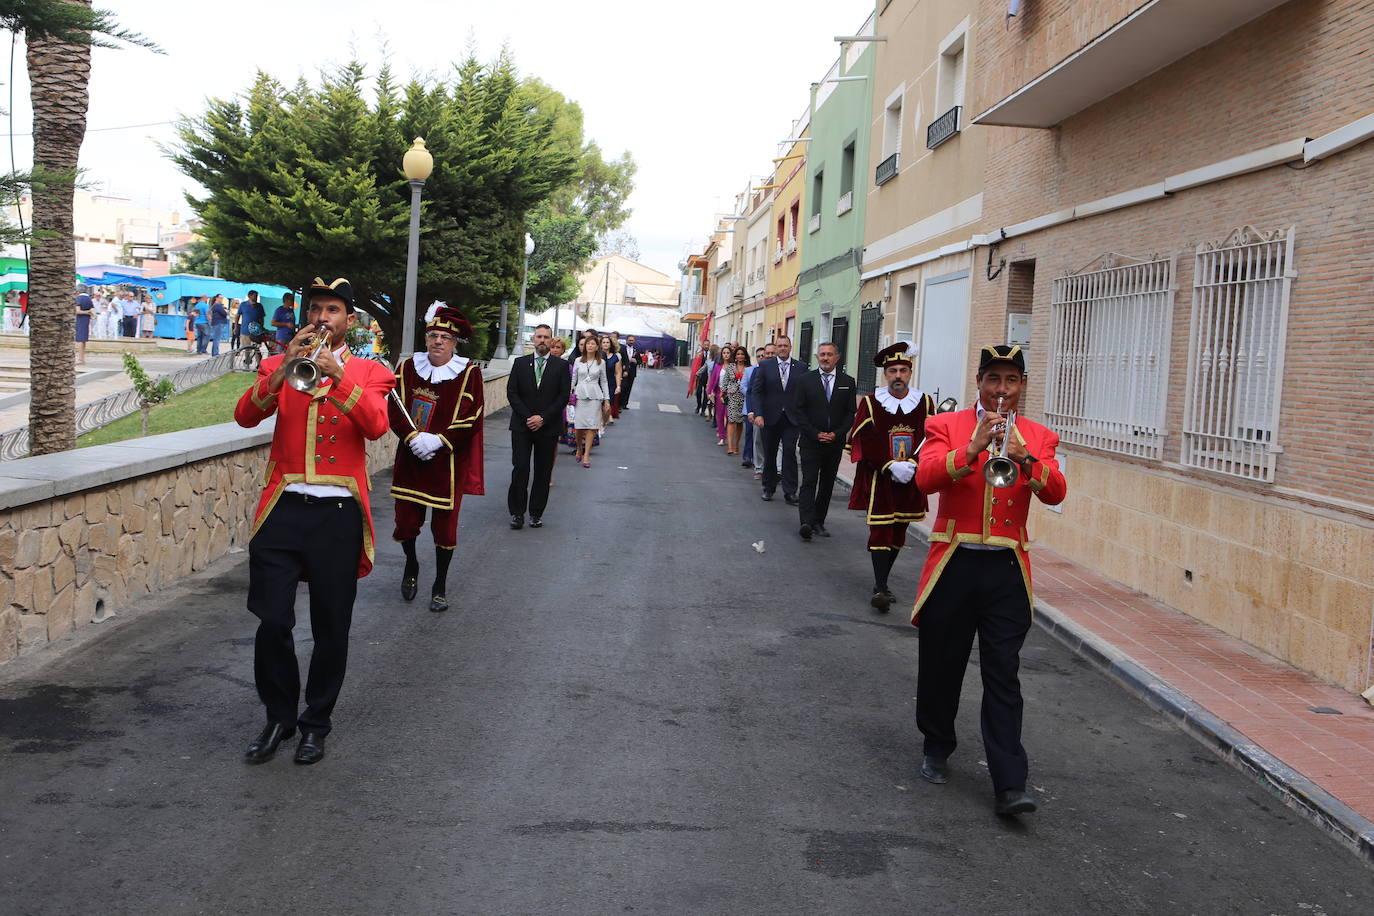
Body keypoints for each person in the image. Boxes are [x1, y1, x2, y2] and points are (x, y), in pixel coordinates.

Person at [233, 277, 395, 766]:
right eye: (318, 309)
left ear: (349, 320)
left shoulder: (369, 372)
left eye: (334, 310)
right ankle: (279, 716)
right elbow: (244, 416)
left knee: (331, 627)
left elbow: (376, 425)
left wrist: (337, 375)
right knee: (272, 620)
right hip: (283, 507)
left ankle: (315, 723)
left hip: (338, 513)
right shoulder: (276, 364)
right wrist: (282, 370)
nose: (324, 318)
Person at [912, 344, 1067, 817]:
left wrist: (1026, 461)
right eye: (994, 380)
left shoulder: (1039, 436)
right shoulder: (946, 424)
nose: (1003, 391)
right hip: (954, 560)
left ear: (1021, 386)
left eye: (1011, 382)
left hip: (1005, 568)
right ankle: (937, 745)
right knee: (943, 664)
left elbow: (1057, 491)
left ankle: (1010, 782)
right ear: (978, 382)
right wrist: (973, 447)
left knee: (1004, 673)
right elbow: (926, 478)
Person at [390, 304, 484, 614]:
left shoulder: (469, 373)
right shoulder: (407, 368)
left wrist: (438, 441)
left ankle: (440, 585)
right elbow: (393, 407)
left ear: (455, 342)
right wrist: (412, 437)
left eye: (444, 336)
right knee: (405, 523)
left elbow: (472, 418)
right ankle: (412, 563)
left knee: (445, 530)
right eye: (432, 335)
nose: (437, 341)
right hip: (410, 459)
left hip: (447, 464)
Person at [845, 342, 932, 608]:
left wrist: (914, 464)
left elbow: (933, 438)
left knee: (899, 533)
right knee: (880, 531)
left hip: (911, 479)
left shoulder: (924, 402)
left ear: (910, 372)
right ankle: (880, 586)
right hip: (880, 479)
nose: (897, 375)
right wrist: (889, 465)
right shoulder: (872, 403)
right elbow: (863, 440)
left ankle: (882, 580)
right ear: (885, 374)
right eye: (892, 370)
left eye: (903, 370)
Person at [787, 341, 857, 542]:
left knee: (827, 484)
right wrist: (815, 433)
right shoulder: (805, 380)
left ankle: (819, 521)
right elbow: (798, 410)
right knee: (809, 481)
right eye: (822, 354)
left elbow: (850, 413)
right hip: (811, 441)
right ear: (817, 357)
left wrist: (837, 433)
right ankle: (806, 523)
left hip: (834, 443)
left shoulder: (847, 382)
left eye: (829, 354)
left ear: (837, 357)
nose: (825, 358)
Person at [506, 324, 570, 530]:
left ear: (552, 341)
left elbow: (563, 396)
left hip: (548, 427)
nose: (542, 340)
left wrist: (542, 418)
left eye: (546, 337)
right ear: (533, 339)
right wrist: (529, 417)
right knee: (521, 467)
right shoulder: (520, 363)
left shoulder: (560, 367)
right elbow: (512, 393)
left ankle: (536, 513)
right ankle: (517, 513)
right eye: (539, 336)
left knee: (543, 472)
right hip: (522, 426)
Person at [747, 335, 805, 505]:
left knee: (790, 453)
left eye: (785, 345)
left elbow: (804, 393)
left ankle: (790, 491)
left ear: (790, 347)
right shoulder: (765, 366)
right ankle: (768, 487)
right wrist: (757, 413)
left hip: (791, 419)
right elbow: (757, 391)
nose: (782, 348)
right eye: (779, 345)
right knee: (770, 454)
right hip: (769, 418)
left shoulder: (801, 367)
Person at [571, 335, 608, 468]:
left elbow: (604, 381)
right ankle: (579, 448)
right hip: (580, 395)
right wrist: (569, 395)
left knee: (592, 426)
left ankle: (586, 454)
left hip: (595, 396)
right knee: (579, 427)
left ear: (597, 347)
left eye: (593, 344)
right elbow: (573, 378)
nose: (590, 346)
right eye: (588, 344)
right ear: (584, 346)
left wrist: (606, 399)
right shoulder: (578, 361)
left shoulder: (601, 362)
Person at [721, 347, 748, 455]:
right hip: (732, 396)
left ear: (745, 356)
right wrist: (722, 393)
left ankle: (737, 444)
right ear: (735, 356)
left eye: (742, 354)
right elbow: (725, 381)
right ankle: (730, 446)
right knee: (731, 420)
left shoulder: (749, 368)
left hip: (743, 397)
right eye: (738, 354)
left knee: (740, 422)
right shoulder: (730, 367)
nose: (740, 356)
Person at [600, 334, 621, 423]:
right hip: (598, 381)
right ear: (600, 344)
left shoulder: (615, 357)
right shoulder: (597, 355)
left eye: (607, 342)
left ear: (610, 344)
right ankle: (600, 419)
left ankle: (607, 417)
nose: (605, 344)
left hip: (611, 382)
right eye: (603, 342)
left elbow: (618, 372)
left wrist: (618, 386)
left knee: (609, 401)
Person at [616, 332, 637, 410]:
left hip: (632, 372)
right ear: (626, 340)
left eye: (632, 340)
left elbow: (640, 360)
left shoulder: (635, 350)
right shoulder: (622, 348)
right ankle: (619, 404)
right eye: (630, 340)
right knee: (622, 387)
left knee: (628, 388)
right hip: (623, 371)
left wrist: (636, 361)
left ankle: (625, 404)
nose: (631, 342)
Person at [74, 287, 94, 365]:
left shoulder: (78, 298)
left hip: (80, 319)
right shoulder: (89, 299)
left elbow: (77, 311)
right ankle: (82, 358)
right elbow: (92, 310)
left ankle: (80, 359)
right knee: (83, 340)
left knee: (79, 340)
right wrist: (89, 313)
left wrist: (86, 312)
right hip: (86, 320)